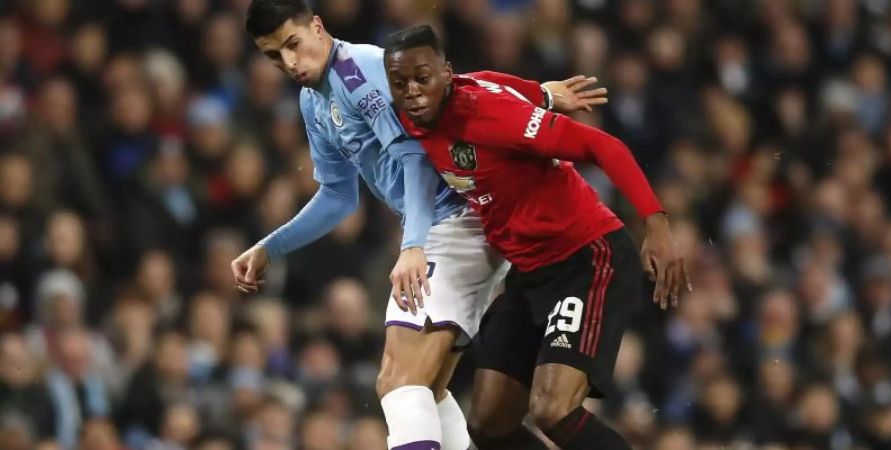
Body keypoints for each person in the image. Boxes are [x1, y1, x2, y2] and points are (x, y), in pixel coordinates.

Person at [231, 2, 608, 449]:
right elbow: (338, 196)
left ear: (317, 27)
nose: (289, 63)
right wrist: (269, 248)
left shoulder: (360, 71)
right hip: (453, 226)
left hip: (457, 219)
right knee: (426, 391)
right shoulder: (314, 100)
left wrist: (413, 245)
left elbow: (416, 153)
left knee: (398, 382)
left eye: (293, 44)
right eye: (274, 56)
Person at [383, 25, 690, 450]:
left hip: (585, 257)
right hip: (528, 273)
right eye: (400, 83)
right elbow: (502, 82)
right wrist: (543, 92)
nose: (412, 91)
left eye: (422, 78)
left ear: (447, 74)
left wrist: (656, 224)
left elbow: (602, 146)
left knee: (552, 409)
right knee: (489, 423)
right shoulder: (411, 113)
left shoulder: (487, 116)